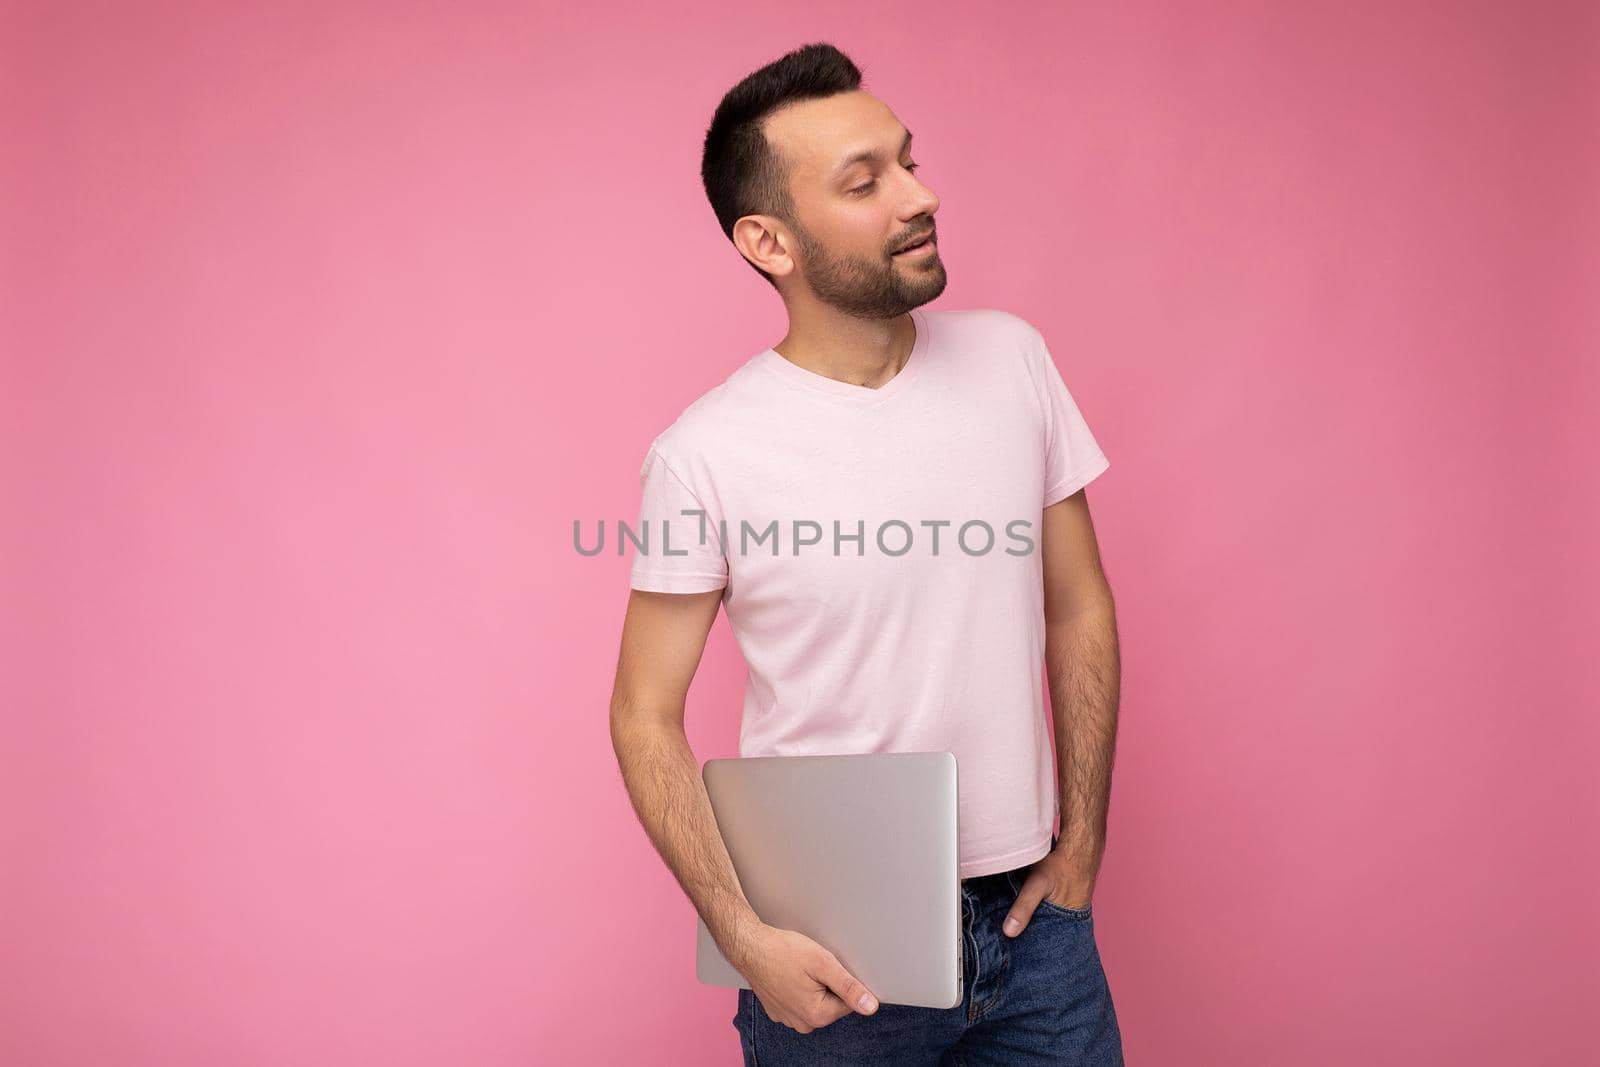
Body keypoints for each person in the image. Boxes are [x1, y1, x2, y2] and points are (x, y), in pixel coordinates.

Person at [608, 41, 1125, 1065]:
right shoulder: (702, 453)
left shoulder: (1012, 360)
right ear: (769, 240)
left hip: (1038, 934)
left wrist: (1081, 847)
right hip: (832, 947)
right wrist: (742, 933)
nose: (919, 194)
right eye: (865, 181)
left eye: (908, 160)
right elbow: (642, 711)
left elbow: (1080, 607)